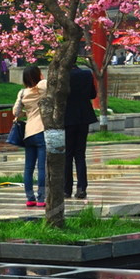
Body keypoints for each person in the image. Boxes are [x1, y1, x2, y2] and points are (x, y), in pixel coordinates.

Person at [12, 65, 48, 207]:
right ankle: (41, 199)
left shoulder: (22, 93)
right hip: (42, 130)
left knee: (29, 168)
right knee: (42, 168)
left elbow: (16, 112)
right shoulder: (42, 87)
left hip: (28, 133)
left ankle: (30, 198)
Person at [64, 63, 98, 199]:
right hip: (84, 116)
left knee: (67, 155)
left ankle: (66, 189)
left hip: (68, 117)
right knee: (80, 154)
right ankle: (81, 187)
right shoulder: (86, 74)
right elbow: (93, 94)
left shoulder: (64, 76)